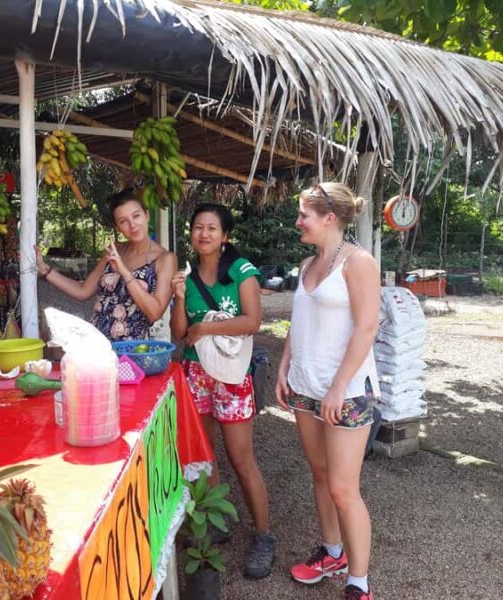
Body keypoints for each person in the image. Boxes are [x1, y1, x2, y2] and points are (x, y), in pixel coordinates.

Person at [275, 183, 380, 600]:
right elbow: (298, 325)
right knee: (318, 474)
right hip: (305, 385)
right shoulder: (306, 264)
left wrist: (338, 387)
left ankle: (359, 583)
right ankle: (332, 553)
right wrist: (284, 368)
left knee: (342, 487)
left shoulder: (359, 262)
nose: (298, 222)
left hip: (346, 391)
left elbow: (367, 326)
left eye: (304, 215)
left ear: (330, 218)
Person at [170, 203, 275, 580]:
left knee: (241, 457)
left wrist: (208, 329)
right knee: (204, 453)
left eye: (212, 228)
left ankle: (264, 536)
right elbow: (179, 333)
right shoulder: (188, 274)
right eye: (198, 227)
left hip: (232, 376)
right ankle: (217, 523)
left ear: (225, 235)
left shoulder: (241, 270)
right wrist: (180, 298)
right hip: (196, 373)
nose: (204, 234)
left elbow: (252, 322)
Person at [35, 188, 177, 341]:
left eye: (136, 216)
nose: (132, 225)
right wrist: (45, 269)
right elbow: (83, 291)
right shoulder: (114, 251)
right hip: (97, 346)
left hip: (133, 351)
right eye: (123, 221)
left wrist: (124, 272)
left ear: (146, 215)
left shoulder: (165, 259)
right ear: (117, 227)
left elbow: (155, 312)